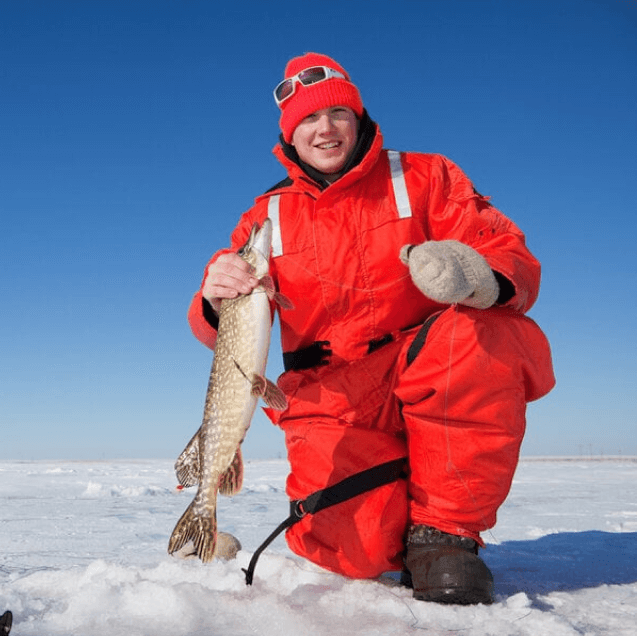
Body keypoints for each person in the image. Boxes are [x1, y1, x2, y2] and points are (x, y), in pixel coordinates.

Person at [188, 53, 555, 605]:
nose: (325, 128)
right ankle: (399, 503)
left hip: (425, 363)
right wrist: (215, 296)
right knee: (345, 550)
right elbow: (220, 329)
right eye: (308, 119)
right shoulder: (265, 215)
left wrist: (480, 276)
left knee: (486, 334)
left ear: (358, 118)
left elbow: (508, 252)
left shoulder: (425, 177)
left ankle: (443, 534)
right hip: (328, 395)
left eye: (338, 112)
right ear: (291, 134)